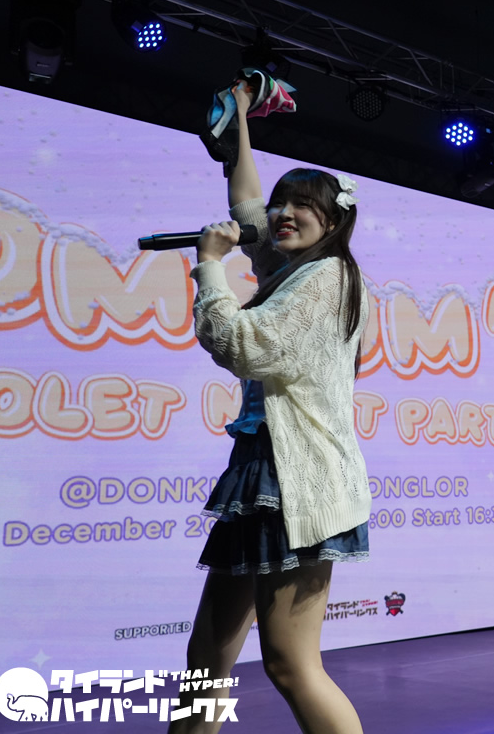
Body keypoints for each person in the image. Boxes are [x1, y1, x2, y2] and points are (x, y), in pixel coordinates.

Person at [172, 79, 370, 734]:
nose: (285, 213)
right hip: (260, 472)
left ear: (334, 221)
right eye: (284, 202)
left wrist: (209, 264)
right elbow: (248, 207)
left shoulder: (327, 277)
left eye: (303, 206)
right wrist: (241, 122)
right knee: (207, 658)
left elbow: (240, 345)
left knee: (290, 664)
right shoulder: (293, 268)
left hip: (296, 482)